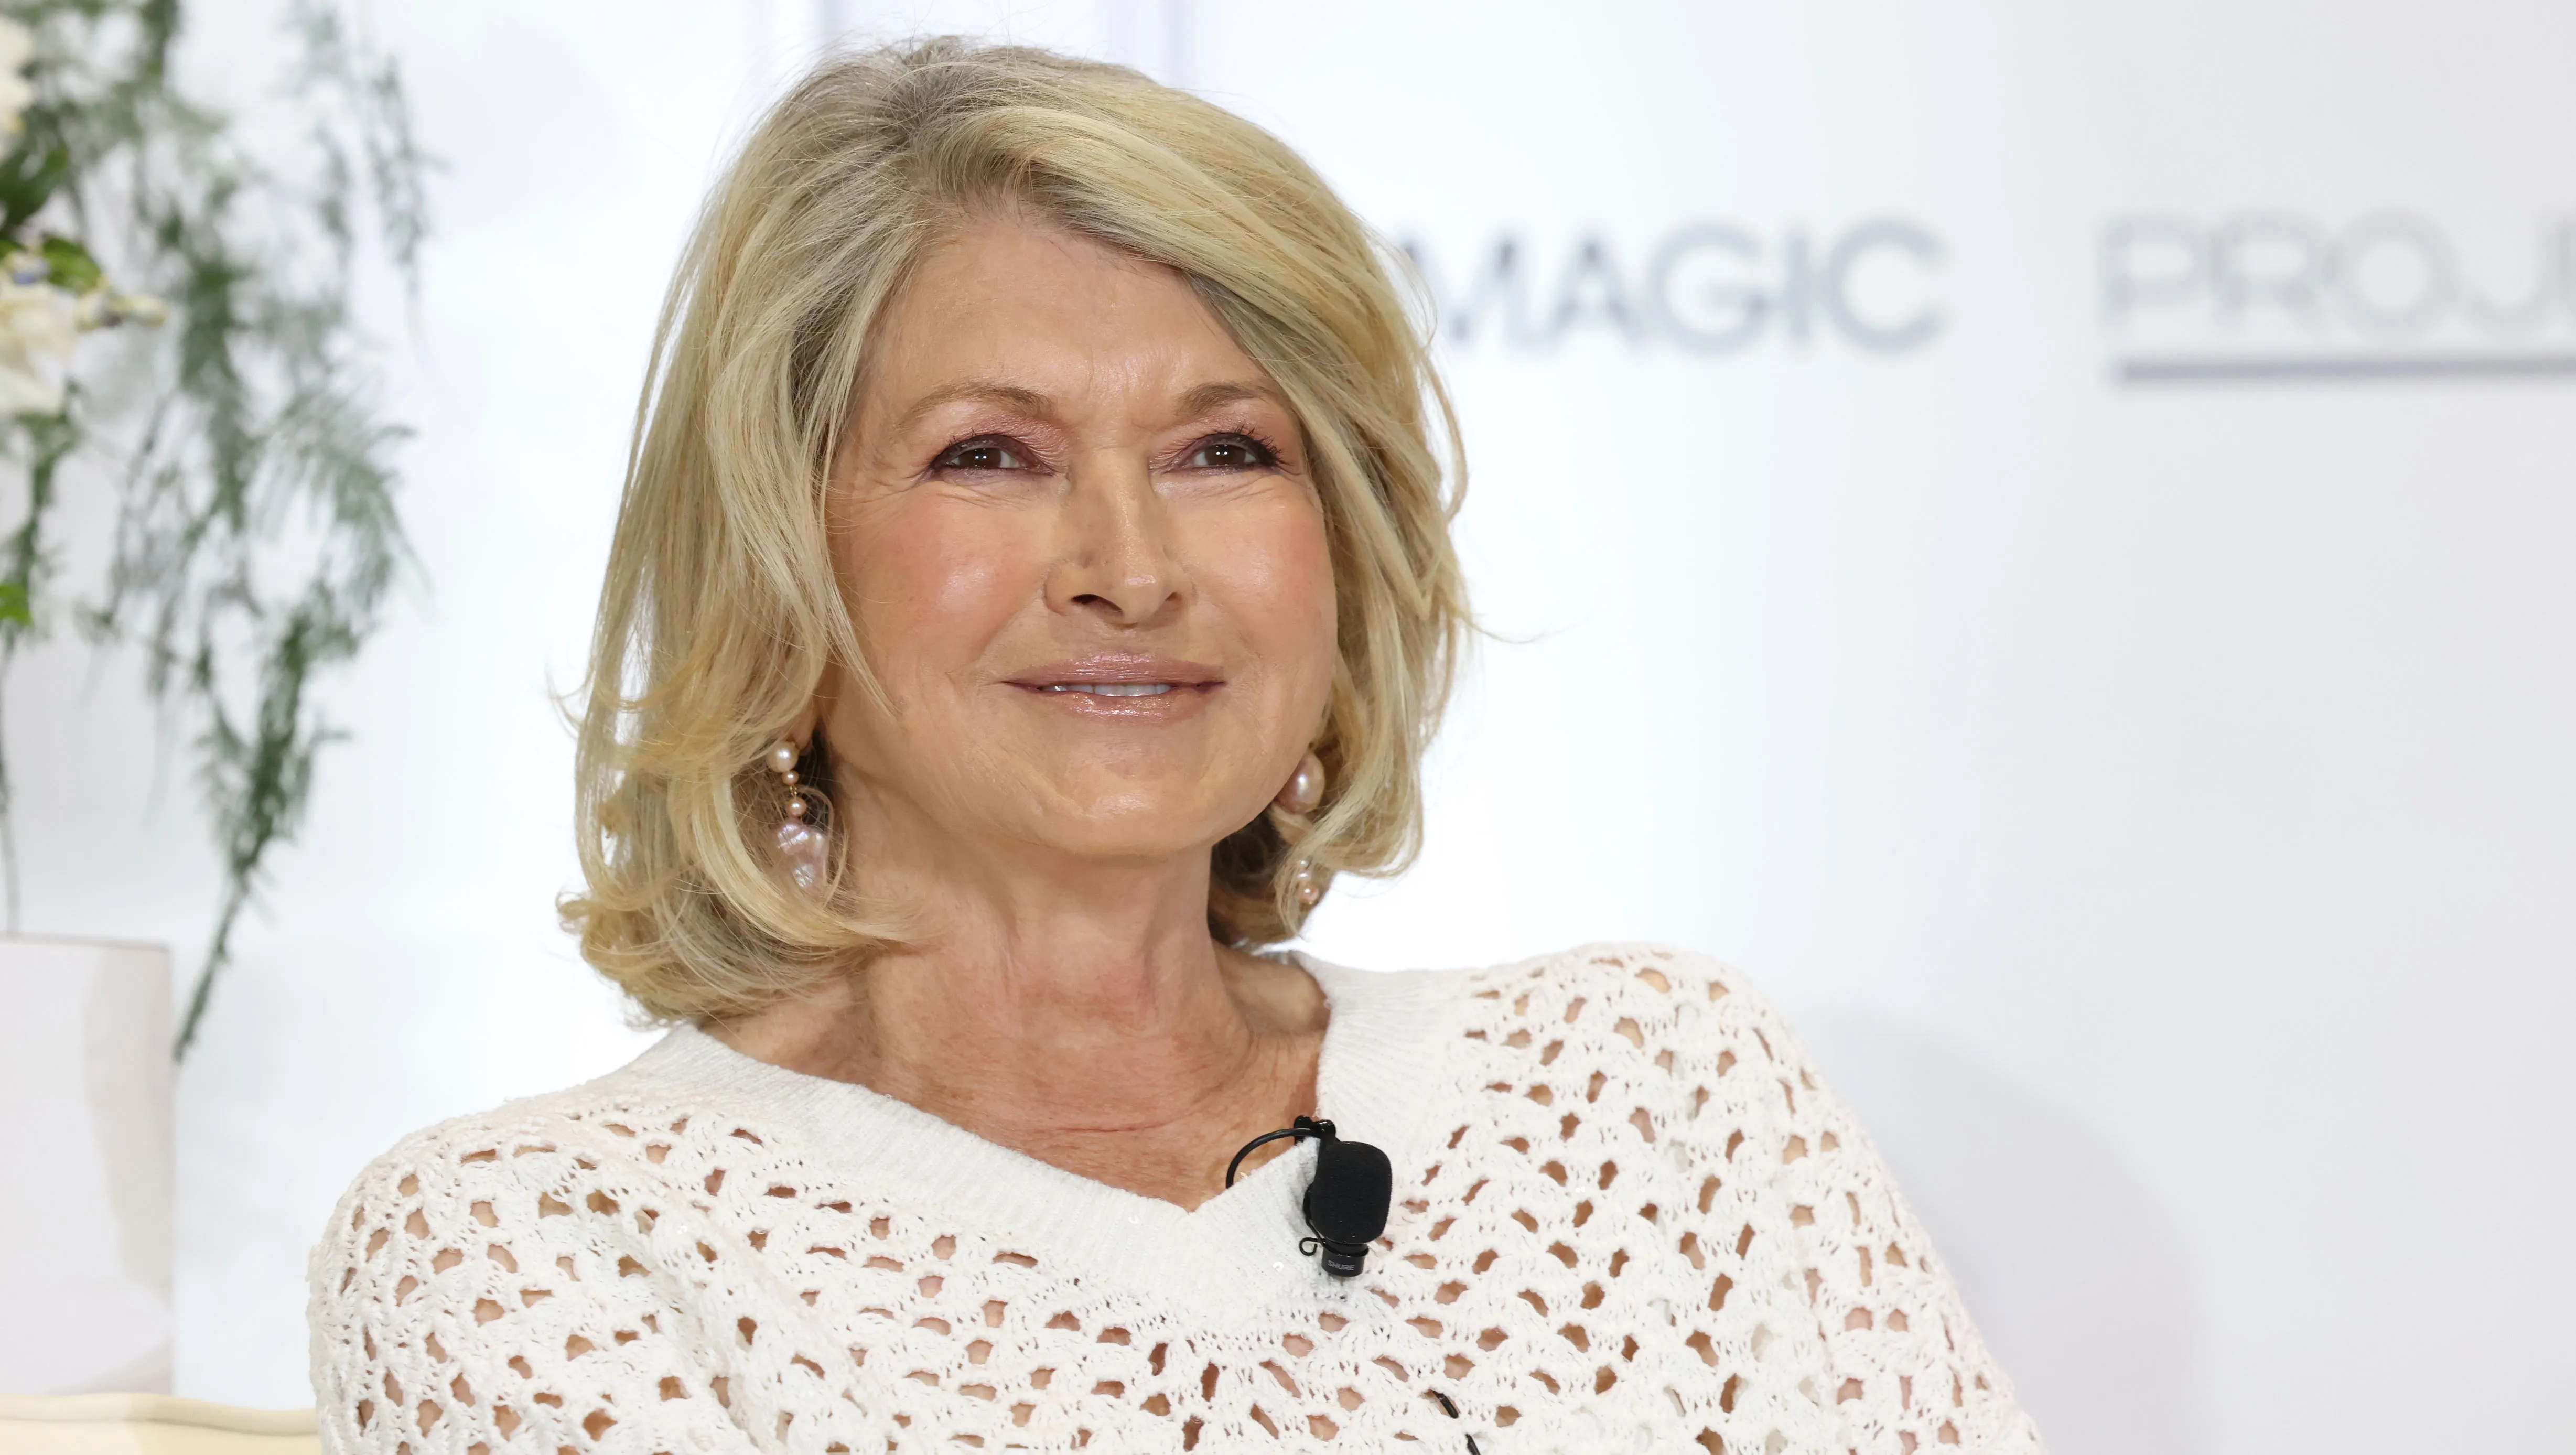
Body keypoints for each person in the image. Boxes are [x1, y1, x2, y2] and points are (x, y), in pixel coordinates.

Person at [308, 39, 2043, 1454]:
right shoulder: (538, 1245)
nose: (1128, 568)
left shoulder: (1654, 1078)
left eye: (1226, 452)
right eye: (990, 454)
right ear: (777, 571)